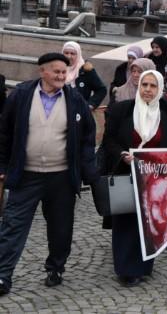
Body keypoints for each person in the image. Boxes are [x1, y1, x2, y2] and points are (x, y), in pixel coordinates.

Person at [0, 53, 98, 295]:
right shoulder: (21, 96)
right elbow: (4, 133)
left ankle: (56, 268)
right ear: (42, 71)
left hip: (61, 177)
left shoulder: (75, 99)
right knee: (13, 225)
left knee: (61, 228)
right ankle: (3, 275)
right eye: (56, 72)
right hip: (26, 175)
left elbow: (88, 136)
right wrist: (3, 168)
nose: (61, 76)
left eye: (64, 72)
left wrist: (88, 171)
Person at [101, 68, 167, 285]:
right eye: (144, 85)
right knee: (127, 221)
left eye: (152, 86)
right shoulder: (121, 110)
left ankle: (144, 265)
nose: (148, 90)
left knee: (149, 222)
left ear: (160, 88)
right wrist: (122, 154)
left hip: (157, 178)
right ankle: (126, 269)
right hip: (127, 173)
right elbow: (109, 140)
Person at [62, 41, 106, 109]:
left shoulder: (86, 70)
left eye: (72, 54)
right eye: (66, 53)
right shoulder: (58, 68)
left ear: (78, 54)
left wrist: (90, 105)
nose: (69, 56)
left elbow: (101, 89)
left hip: (79, 111)